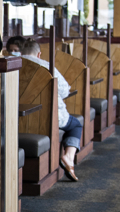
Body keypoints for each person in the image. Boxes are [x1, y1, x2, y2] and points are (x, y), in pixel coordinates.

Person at [21, 39, 82, 181]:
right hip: (47, 118)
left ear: (21, 52)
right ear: (39, 54)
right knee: (76, 124)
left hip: (14, 118)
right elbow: (65, 90)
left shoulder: (11, 64)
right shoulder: (46, 66)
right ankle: (68, 157)